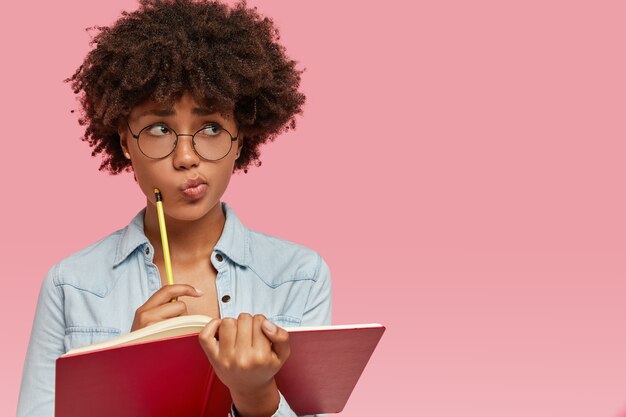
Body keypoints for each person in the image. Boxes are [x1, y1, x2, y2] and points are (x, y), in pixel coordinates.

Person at [16, 1, 332, 416]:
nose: (186, 157)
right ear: (126, 142)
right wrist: (125, 372)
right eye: (160, 129)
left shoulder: (299, 277)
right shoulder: (70, 286)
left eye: (212, 128)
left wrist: (257, 396)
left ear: (241, 138)